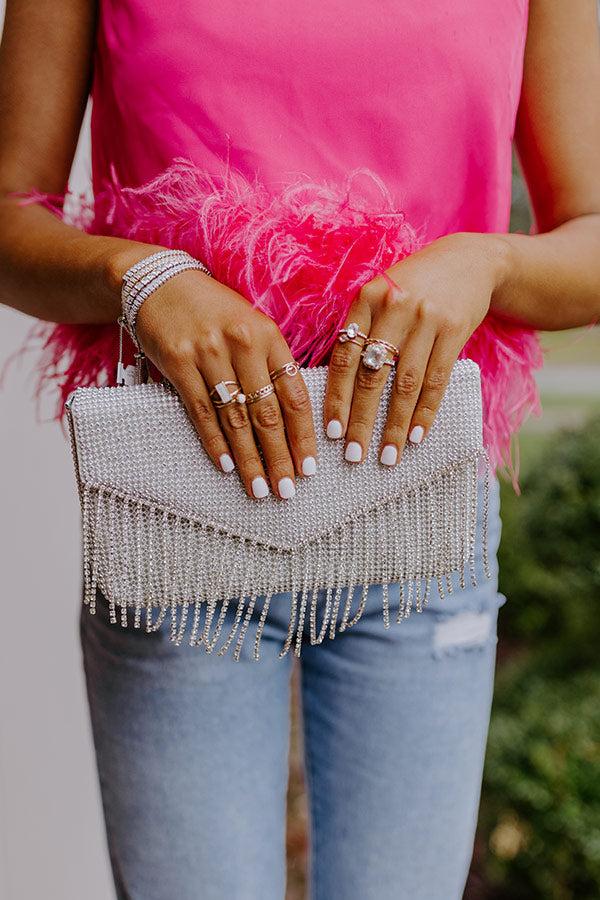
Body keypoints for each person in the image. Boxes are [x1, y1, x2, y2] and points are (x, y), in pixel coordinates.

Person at [1, 2, 599, 898]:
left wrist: (489, 264)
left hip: (413, 514)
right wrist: (140, 275)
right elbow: (9, 213)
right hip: (184, 506)